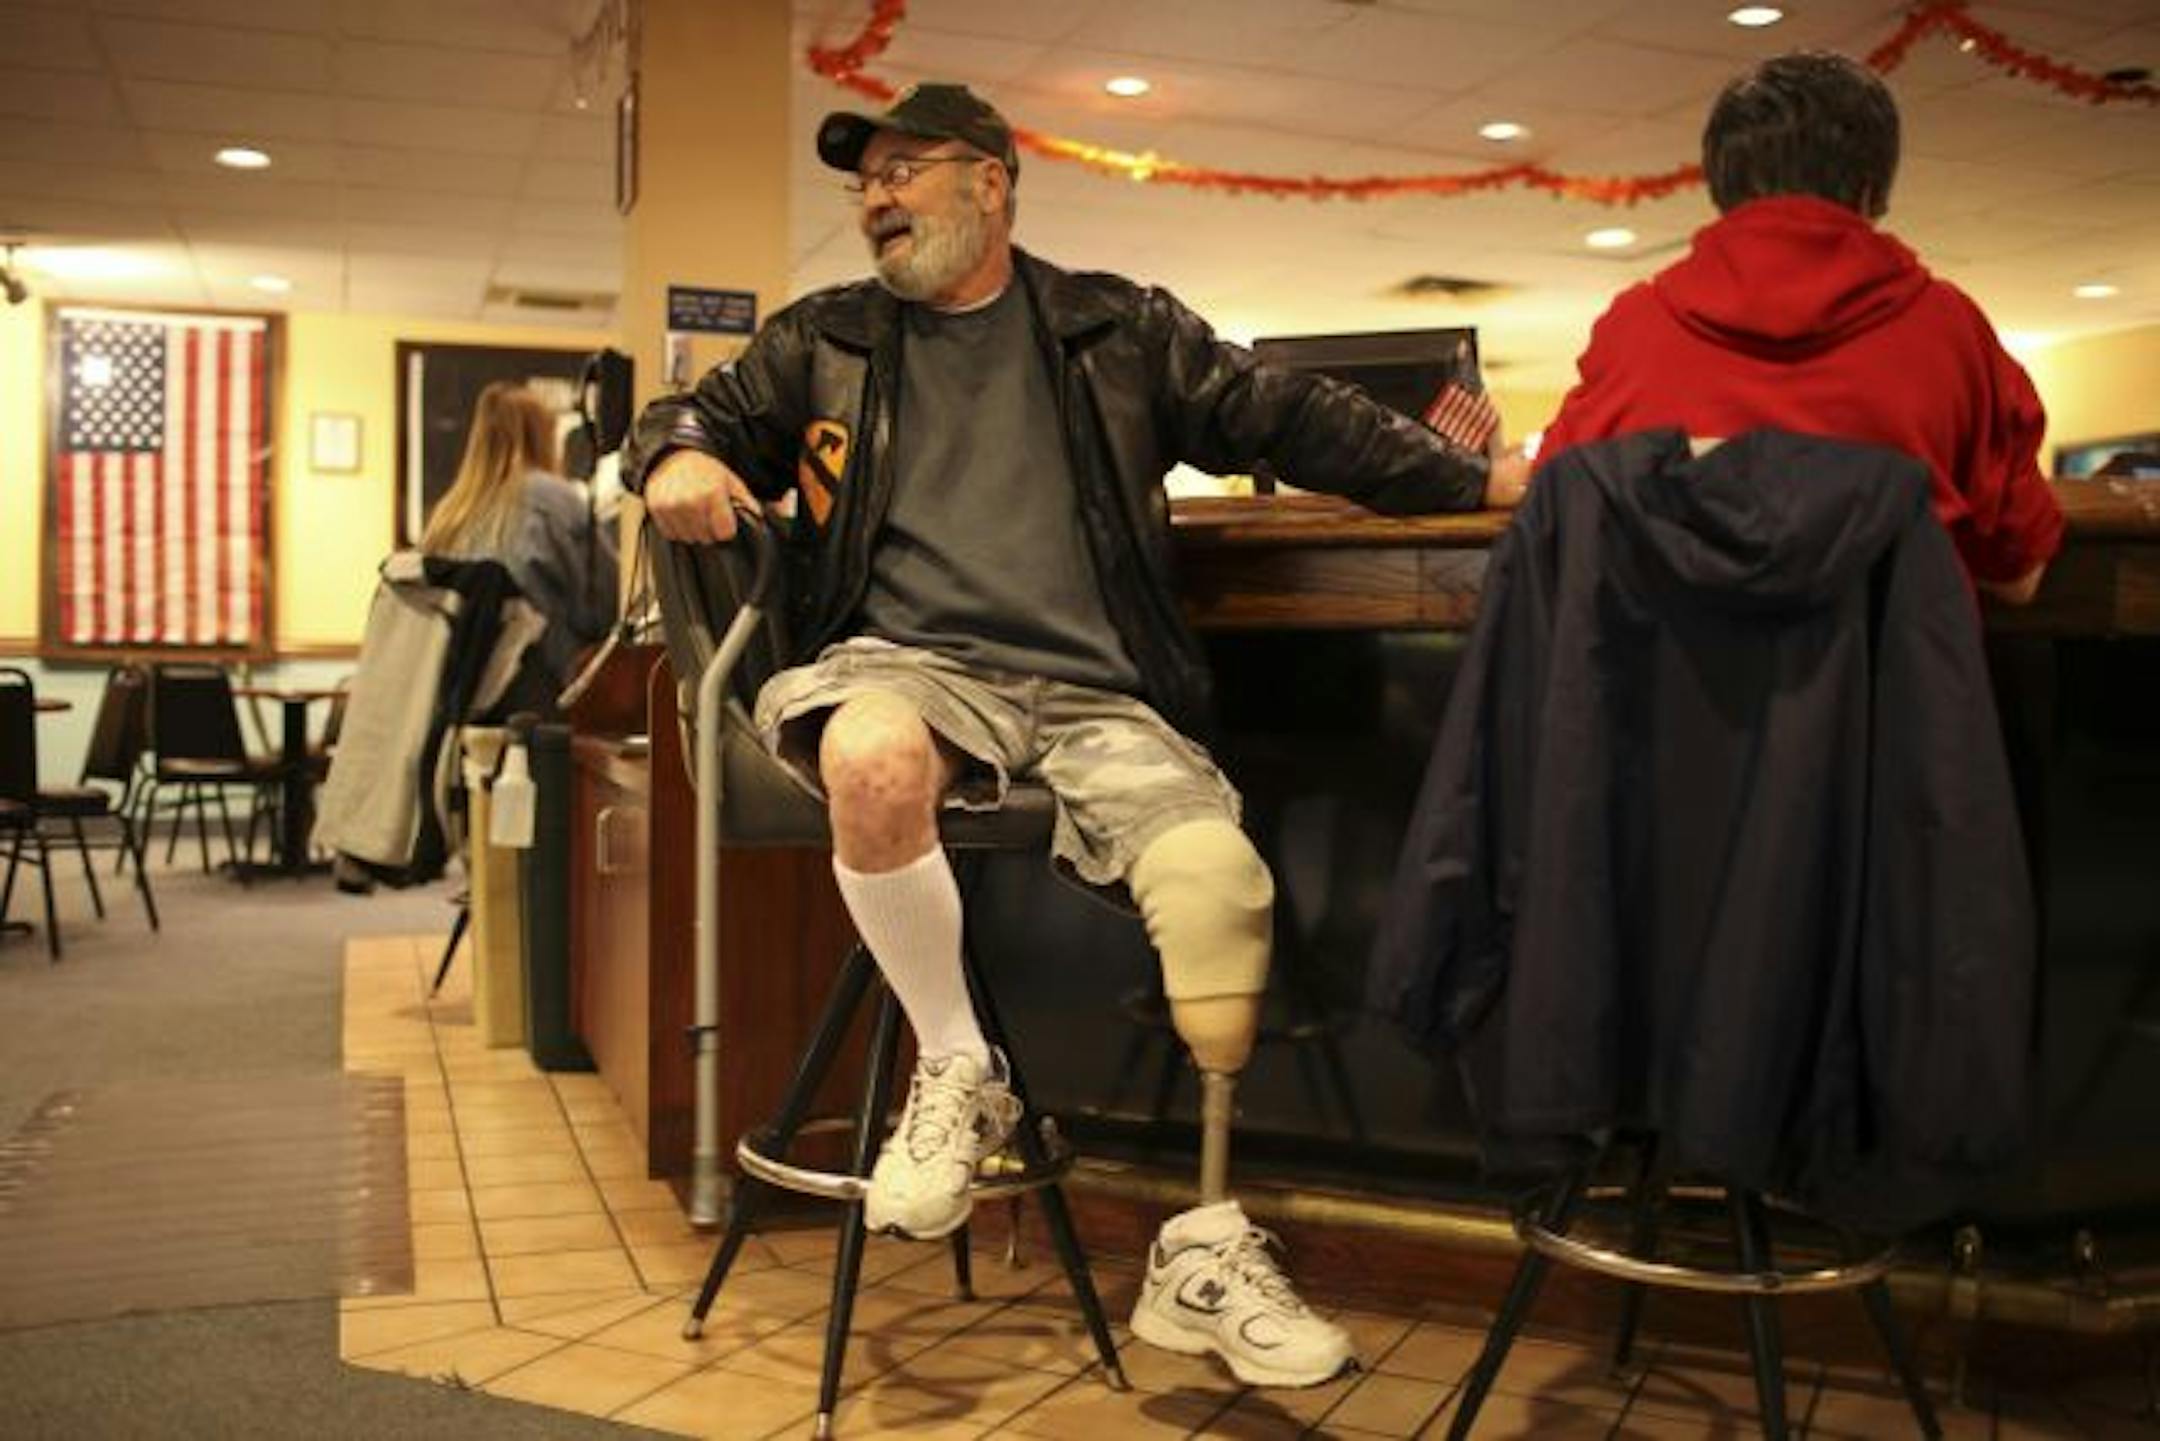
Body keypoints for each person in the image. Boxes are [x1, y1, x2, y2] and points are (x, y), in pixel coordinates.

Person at [626, 82, 1527, 1388]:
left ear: (991, 183)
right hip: (906, 672)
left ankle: (1203, 1251)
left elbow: (1286, 418)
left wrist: (1476, 477)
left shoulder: (1119, 329)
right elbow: (690, 415)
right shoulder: (820, 339)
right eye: (862, 179)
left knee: (1220, 886)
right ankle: (957, 1065)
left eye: (906, 169)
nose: (876, 196)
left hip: (1097, 698)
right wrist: (674, 457)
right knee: (869, 756)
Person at [1537, 51, 2063, 605]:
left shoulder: (1635, 328)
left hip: (1669, 688)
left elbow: (1554, 520)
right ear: (1873, 186)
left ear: (1720, 181)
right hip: (1887, 687)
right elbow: (2016, 576)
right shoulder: (1951, 331)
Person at [421, 381, 620, 696]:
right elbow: (608, 602)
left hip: (459, 698)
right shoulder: (552, 499)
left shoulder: (450, 514)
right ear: (542, 436)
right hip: (542, 691)